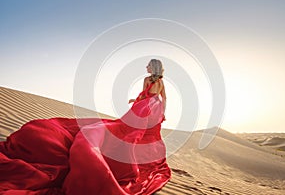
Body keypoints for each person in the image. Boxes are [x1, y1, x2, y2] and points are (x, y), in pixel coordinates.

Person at [0, 59, 171, 195]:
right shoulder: (147, 79)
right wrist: (136, 101)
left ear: (153, 67)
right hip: (143, 106)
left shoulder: (160, 82)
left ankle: (142, 157)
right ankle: (129, 157)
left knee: (143, 133)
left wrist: (161, 112)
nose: (147, 67)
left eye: (148, 65)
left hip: (152, 106)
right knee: (130, 132)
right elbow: (144, 93)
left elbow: (163, 97)